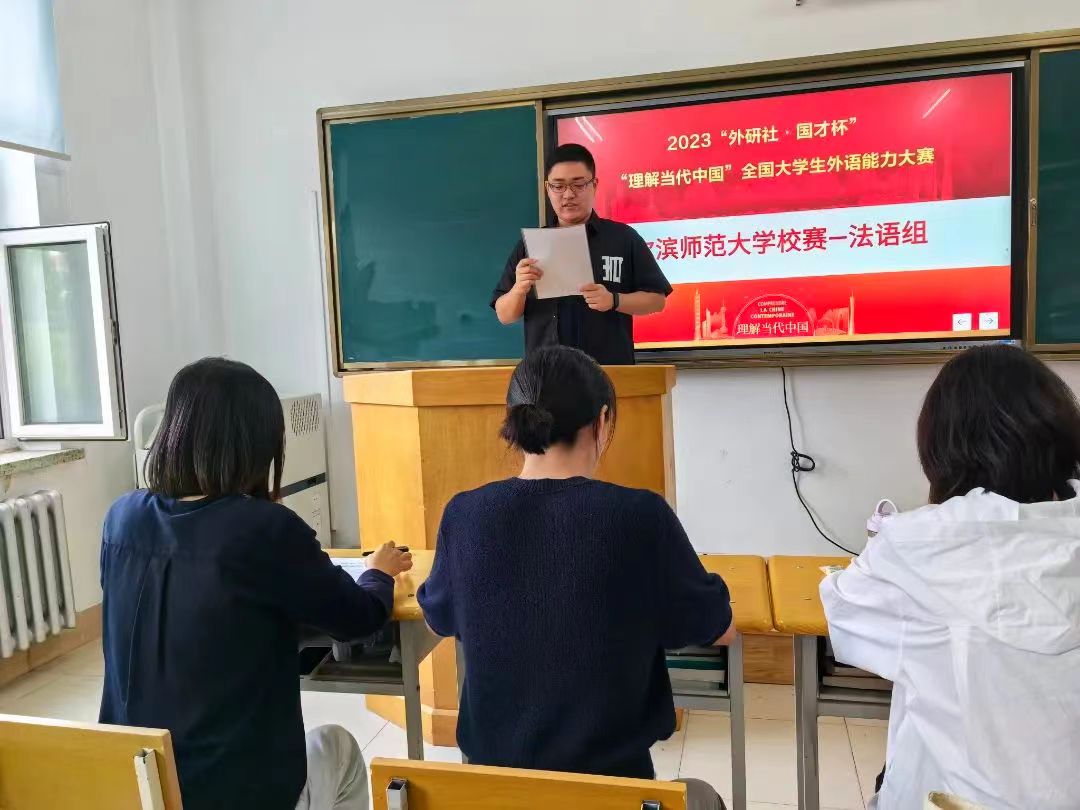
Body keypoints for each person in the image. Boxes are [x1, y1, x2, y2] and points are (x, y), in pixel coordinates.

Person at [417, 345, 734, 810]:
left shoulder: (464, 515)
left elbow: (438, 619)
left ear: (514, 419)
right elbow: (718, 628)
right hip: (613, 794)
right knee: (704, 797)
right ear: (602, 421)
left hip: (494, 795)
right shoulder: (640, 516)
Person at [99, 358, 413, 810]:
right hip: (233, 793)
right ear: (257, 445)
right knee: (340, 749)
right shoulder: (264, 529)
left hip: (137, 787)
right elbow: (359, 619)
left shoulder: (121, 517)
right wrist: (378, 572)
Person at [820, 344, 1080, 810]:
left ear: (943, 444)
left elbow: (843, 612)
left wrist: (882, 546)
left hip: (952, 797)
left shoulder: (917, 545)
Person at [491, 143, 672, 365]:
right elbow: (504, 315)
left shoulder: (623, 238)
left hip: (608, 371)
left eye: (578, 185)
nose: (568, 194)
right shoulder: (530, 245)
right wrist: (519, 289)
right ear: (547, 188)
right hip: (545, 374)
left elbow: (656, 300)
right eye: (558, 186)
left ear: (594, 185)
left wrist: (614, 300)